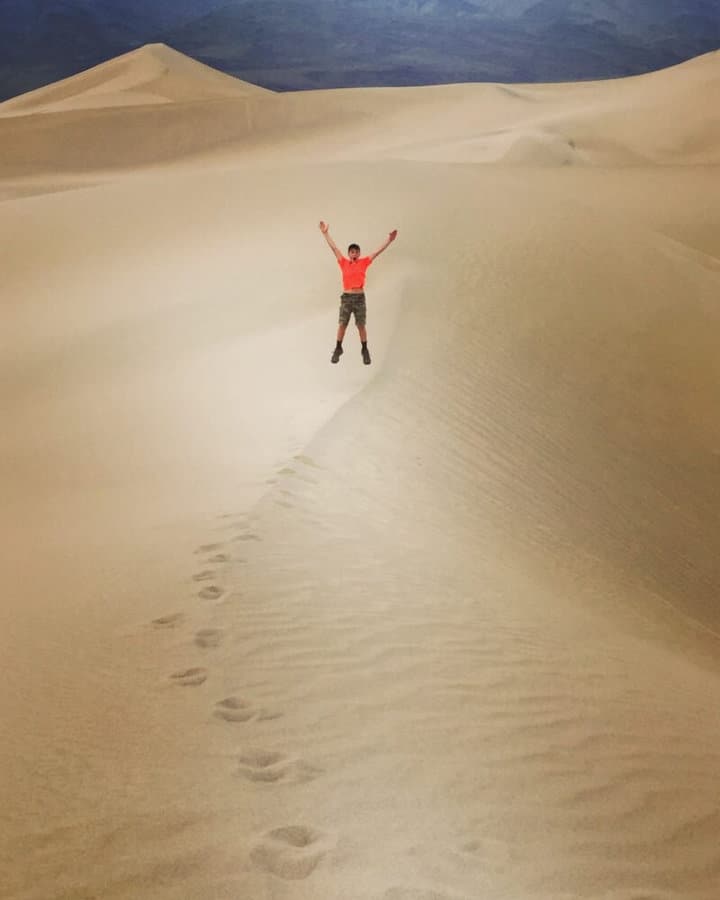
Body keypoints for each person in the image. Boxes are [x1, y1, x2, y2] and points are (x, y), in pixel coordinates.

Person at [319, 221, 398, 364]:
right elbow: (334, 248)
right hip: (347, 297)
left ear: (359, 253)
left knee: (361, 325)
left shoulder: (364, 262)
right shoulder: (343, 262)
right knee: (342, 324)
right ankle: (338, 348)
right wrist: (325, 233)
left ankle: (365, 350)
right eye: (352, 252)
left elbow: (377, 252)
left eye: (356, 252)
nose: (354, 254)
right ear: (349, 254)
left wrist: (389, 240)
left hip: (359, 297)